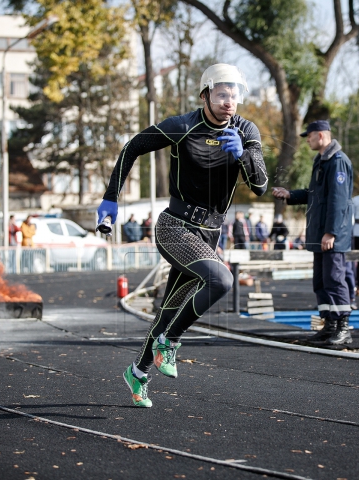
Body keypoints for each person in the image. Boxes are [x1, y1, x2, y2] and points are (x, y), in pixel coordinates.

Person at [96, 63, 268, 407]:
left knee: (169, 307)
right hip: (175, 226)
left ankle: (138, 371)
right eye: (221, 94)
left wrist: (244, 156)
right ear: (205, 95)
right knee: (222, 280)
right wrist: (111, 198)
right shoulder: (183, 125)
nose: (228, 101)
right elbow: (132, 147)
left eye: (233, 95)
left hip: (211, 234)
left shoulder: (246, 130)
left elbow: (261, 185)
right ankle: (170, 341)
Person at [272, 120, 354, 345]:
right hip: (320, 234)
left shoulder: (337, 162)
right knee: (321, 281)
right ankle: (329, 325)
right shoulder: (322, 161)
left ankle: (342, 326)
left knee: (335, 279)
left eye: (309, 135)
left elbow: (338, 201)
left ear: (321, 135)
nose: (307, 139)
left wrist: (331, 232)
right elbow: (315, 194)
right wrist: (290, 195)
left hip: (330, 236)